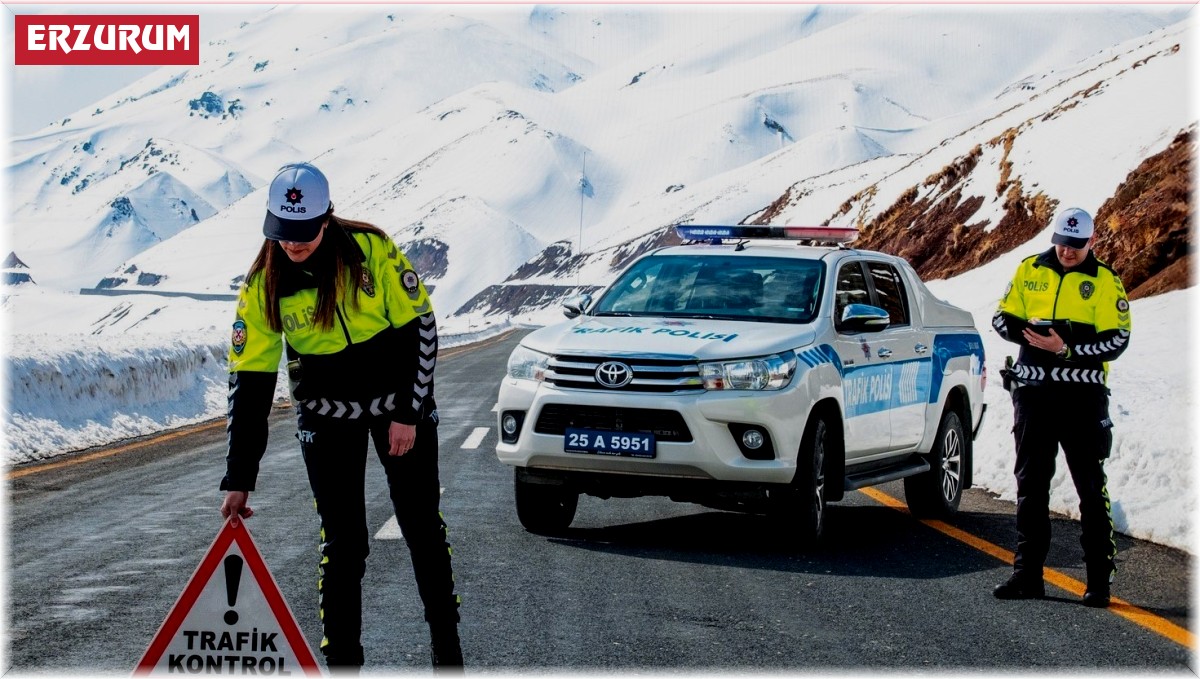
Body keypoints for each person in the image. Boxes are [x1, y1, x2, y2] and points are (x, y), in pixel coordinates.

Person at [218, 162, 462, 671]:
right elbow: (250, 382)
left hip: (399, 406)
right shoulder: (263, 283)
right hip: (325, 416)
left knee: (421, 526)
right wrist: (239, 478)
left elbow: (422, 328)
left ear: (326, 219)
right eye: (283, 233)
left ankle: (448, 655)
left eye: (304, 232)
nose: (293, 243)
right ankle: (343, 667)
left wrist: (409, 412)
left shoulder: (370, 249)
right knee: (344, 543)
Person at [990, 207, 1132, 608]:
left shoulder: (1104, 281)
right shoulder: (1029, 268)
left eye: (1076, 245)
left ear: (1092, 241)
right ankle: (1027, 576)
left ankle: (1099, 582)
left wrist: (1065, 348)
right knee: (1030, 486)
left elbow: (1117, 340)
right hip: (1033, 395)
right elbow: (1001, 319)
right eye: (1062, 243)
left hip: (1082, 400)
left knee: (1090, 487)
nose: (1068, 252)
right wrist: (1030, 335)